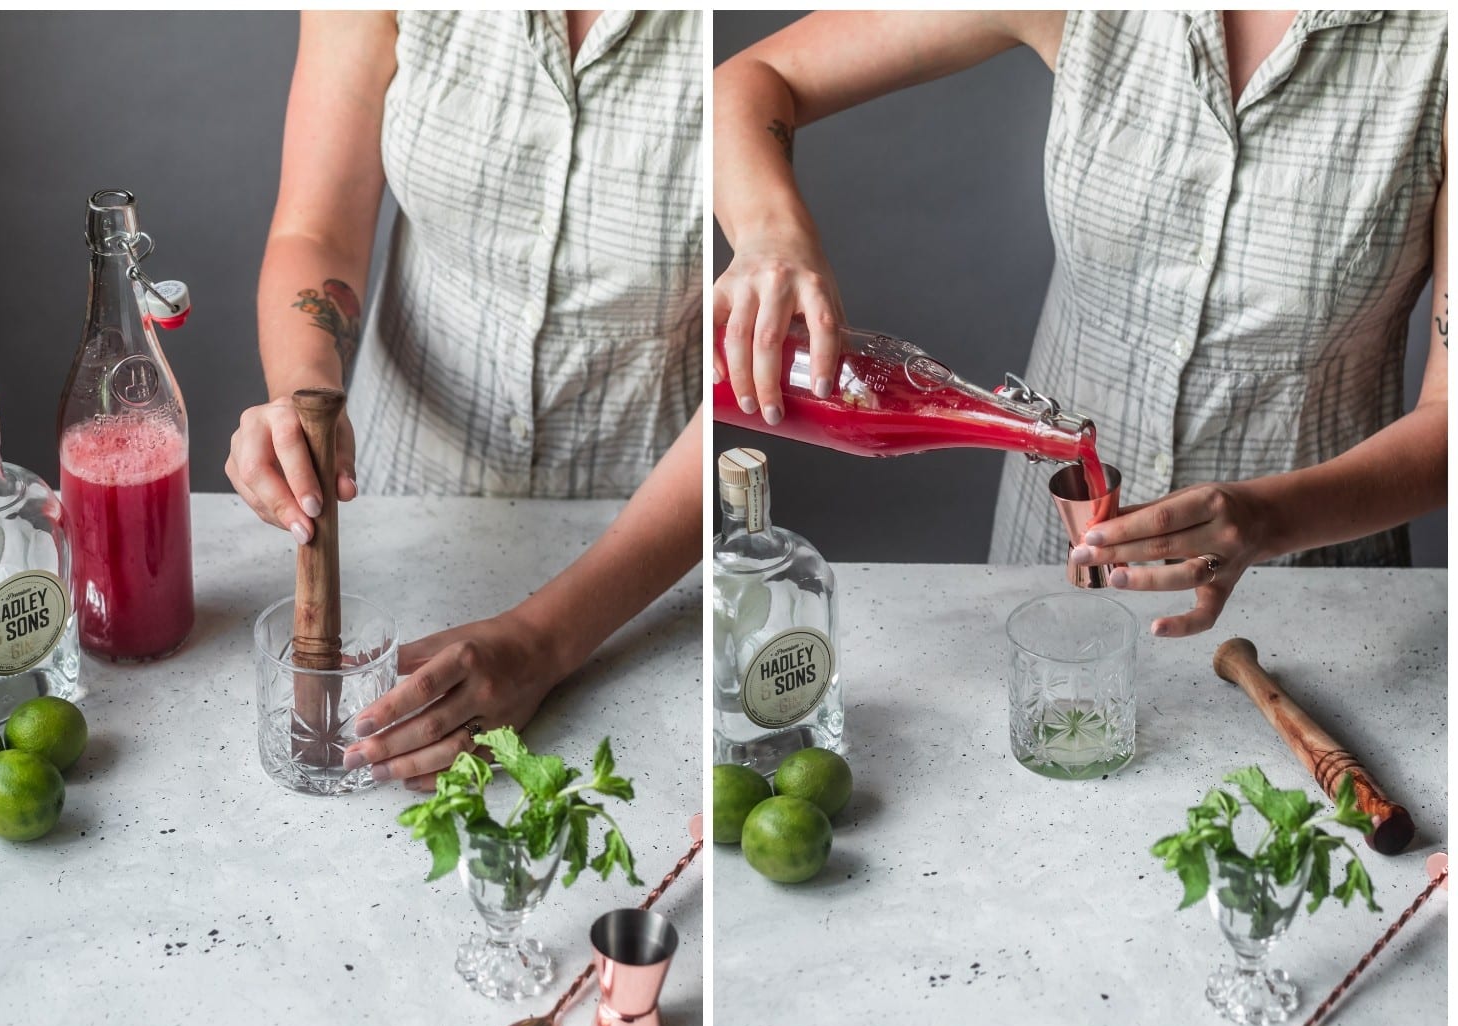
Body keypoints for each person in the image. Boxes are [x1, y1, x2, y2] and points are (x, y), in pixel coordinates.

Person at [713, 10, 1446, 638]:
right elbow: (748, 82)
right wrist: (771, 231)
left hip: (1311, 597)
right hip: (1047, 572)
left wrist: (1268, 519)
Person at [226, 11, 702, 790]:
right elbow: (316, 232)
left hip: (642, 565)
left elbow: (748, 350)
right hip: (401, 511)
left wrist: (542, 642)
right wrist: (305, 398)